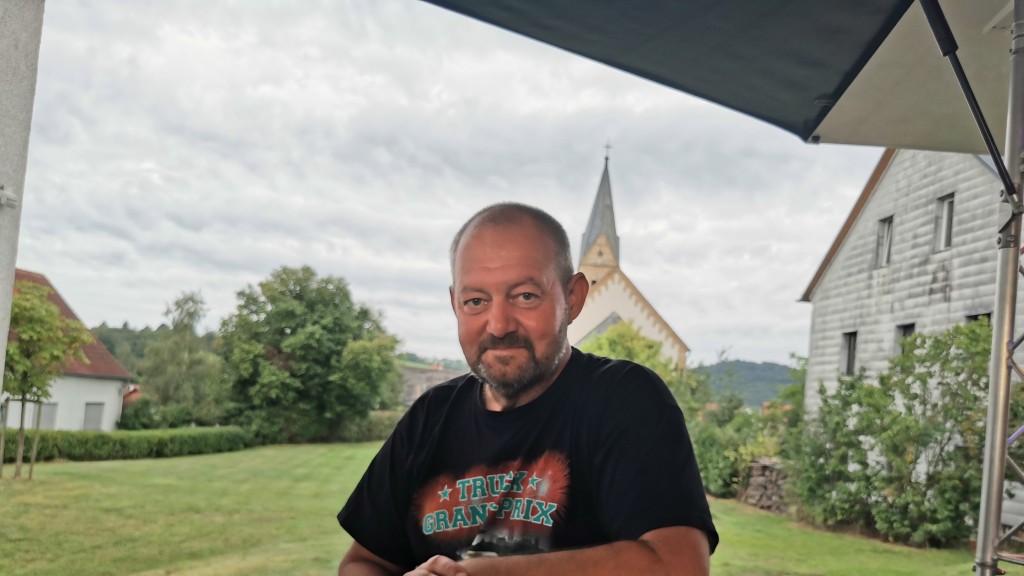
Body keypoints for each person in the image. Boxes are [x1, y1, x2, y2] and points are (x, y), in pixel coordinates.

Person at [337, 203, 718, 576]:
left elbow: (679, 564)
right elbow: (363, 562)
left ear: (572, 298)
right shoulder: (430, 416)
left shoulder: (625, 399)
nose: (499, 325)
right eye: (476, 301)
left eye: (525, 296)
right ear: (455, 305)